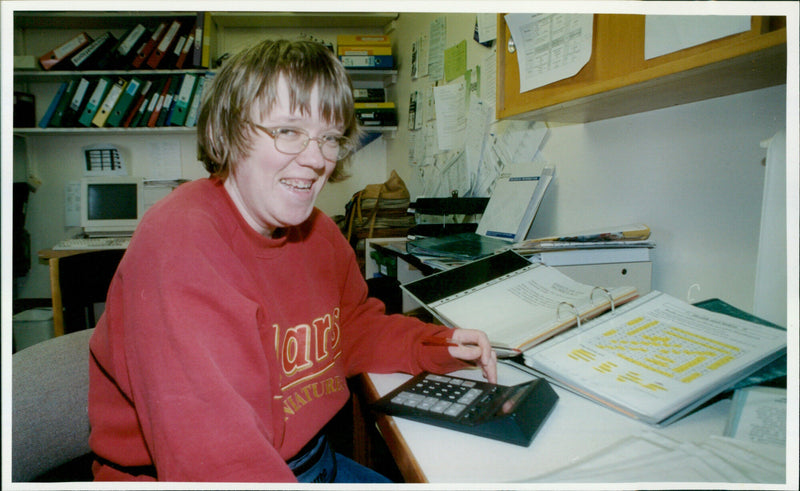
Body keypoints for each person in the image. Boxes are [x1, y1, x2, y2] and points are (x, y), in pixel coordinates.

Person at [87, 38, 497, 483]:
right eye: (288, 131)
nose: (316, 159)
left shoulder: (319, 233)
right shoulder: (180, 244)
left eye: (329, 138)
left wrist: (433, 345)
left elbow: (348, 329)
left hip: (313, 463)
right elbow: (217, 464)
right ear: (229, 130)